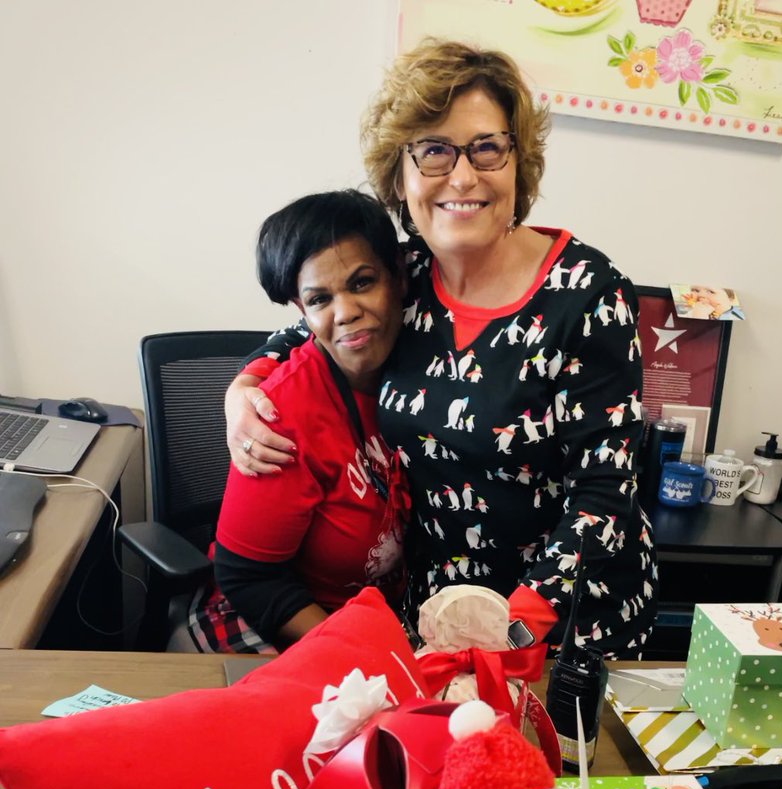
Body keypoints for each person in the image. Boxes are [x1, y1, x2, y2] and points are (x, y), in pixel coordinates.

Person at [224, 39, 657, 656]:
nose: (462, 175)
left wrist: (511, 631)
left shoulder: (587, 294)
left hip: (567, 626)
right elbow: (306, 328)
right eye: (433, 151)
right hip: (438, 619)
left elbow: (606, 492)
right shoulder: (404, 276)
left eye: (486, 147)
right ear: (400, 176)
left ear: (517, 162)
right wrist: (242, 390)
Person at [191, 189, 409, 652]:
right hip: (283, 623)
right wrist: (355, 651)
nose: (345, 312)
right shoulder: (280, 414)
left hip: (386, 620)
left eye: (363, 282)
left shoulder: (426, 373)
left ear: (399, 279)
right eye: (320, 298)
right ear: (301, 311)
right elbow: (249, 577)